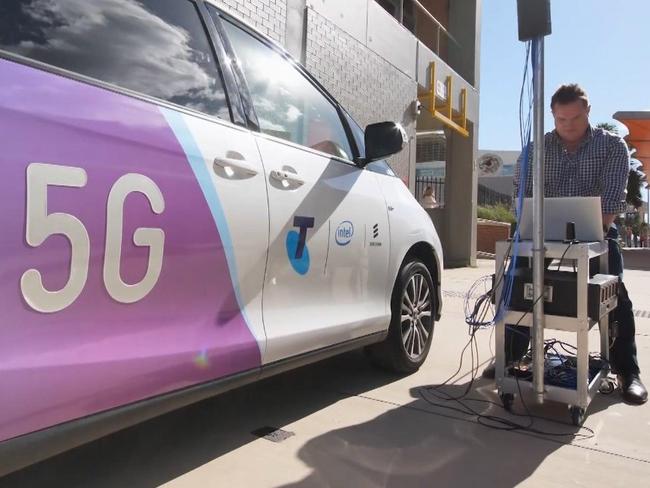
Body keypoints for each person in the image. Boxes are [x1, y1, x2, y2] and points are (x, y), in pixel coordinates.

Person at [484, 84, 646, 404]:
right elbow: (523, 193)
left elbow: (612, 198)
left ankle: (628, 370)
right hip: (543, 232)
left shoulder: (611, 146)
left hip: (598, 230)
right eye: (561, 119)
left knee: (614, 291)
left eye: (575, 117)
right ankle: (513, 354)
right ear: (553, 115)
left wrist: (594, 227)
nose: (568, 125)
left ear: (587, 112)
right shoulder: (537, 149)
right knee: (519, 284)